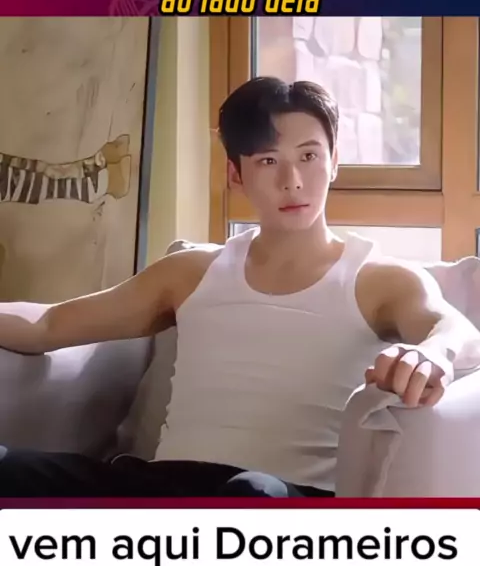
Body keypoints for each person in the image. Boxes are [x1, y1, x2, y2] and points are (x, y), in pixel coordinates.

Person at [0, 77, 478, 497]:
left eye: (309, 156)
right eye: (268, 160)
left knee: (249, 493)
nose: (292, 181)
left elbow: (456, 330)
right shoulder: (191, 272)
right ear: (236, 174)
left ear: (334, 161)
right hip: (164, 487)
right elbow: (49, 325)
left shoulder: (377, 279)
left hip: (281, 498)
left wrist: (432, 354)